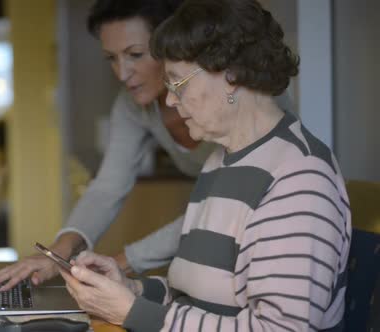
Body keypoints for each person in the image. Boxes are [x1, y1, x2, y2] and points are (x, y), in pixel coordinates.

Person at [59, 0, 350, 331]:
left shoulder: (300, 178)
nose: (168, 100)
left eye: (177, 83)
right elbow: (193, 296)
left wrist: (131, 311)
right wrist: (131, 289)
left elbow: (280, 329)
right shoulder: (220, 162)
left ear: (232, 75)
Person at [0, 0, 292, 291]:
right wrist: (58, 252)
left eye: (135, 54)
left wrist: (122, 264)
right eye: (111, 58)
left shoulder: (235, 109)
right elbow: (108, 187)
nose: (122, 72)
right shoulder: (133, 106)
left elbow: (217, 207)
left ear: (173, 46)